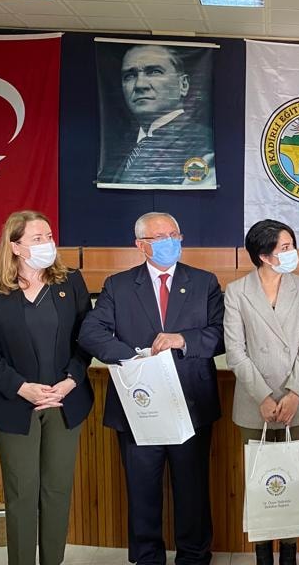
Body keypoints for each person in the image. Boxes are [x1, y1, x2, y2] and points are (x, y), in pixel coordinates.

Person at [78, 212, 223, 565]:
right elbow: (91, 333)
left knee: (192, 490)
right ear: (140, 245)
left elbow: (222, 333)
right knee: (142, 491)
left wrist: (182, 339)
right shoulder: (118, 285)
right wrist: (134, 358)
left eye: (174, 234)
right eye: (159, 237)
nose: (169, 242)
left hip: (189, 404)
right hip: (138, 407)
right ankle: (147, 558)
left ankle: (194, 557)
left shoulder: (204, 282)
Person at [0, 211, 93, 565]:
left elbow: (86, 338)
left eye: (49, 236)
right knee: (22, 493)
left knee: (57, 490)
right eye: (38, 238)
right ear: (15, 246)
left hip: (64, 403)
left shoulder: (71, 281)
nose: (47, 243)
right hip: (15, 404)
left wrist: (70, 381)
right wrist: (22, 388)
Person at [223, 219, 299, 565]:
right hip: (254, 402)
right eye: (285, 247)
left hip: (298, 399)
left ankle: (289, 556)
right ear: (264, 256)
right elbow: (235, 352)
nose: (292, 253)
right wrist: (263, 396)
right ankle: (262, 556)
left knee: (292, 480)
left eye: (292, 246)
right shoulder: (237, 291)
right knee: (261, 481)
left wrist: (293, 392)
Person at [108, 44, 214, 186]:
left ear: (183, 85)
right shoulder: (118, 149)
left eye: (154, 72)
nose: (139, 85)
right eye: (129, 76)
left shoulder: (203, 144)